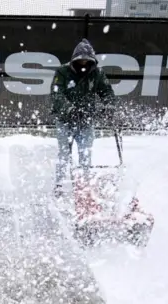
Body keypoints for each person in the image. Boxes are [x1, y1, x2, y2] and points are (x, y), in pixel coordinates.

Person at [49, 38, 116, 197]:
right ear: (74, 60)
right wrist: (71, 110)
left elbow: (106, 91)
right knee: (64, 153)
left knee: (86, 153)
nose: (83, 64)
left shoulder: (97, 74)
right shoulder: (62, 72)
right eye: (81, 61)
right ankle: (59, 184)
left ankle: (85, 185)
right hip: (65, 120)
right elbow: (56, 95)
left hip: (86, 120)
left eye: (87, 61)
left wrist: (109, 106)